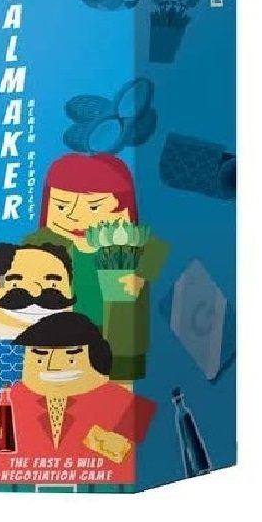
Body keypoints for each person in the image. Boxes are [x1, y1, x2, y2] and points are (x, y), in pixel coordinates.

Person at [23, 153, 169, 382]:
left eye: (94, 207)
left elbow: (157, 249)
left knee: (119, 381)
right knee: (69, 379)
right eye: (61, 206)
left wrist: (140, 276)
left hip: (119, 334)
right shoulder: (44, 241)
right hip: (67, 331)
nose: (74, 217)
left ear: (124, 210)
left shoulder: (129, 241)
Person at [0, 312, 156, 490]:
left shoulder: (127, 402)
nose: (53, 366)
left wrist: (122, 448)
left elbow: (155, 452)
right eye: (40, 355)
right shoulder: (10, 397)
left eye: (71, 356)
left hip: (102, 488)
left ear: (98, 356)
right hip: (21, 487)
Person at [0, 242, 76, 490]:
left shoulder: (79, 336)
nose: (35, 292)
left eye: (53, 282)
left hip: (59, 438)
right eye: (16, 282)